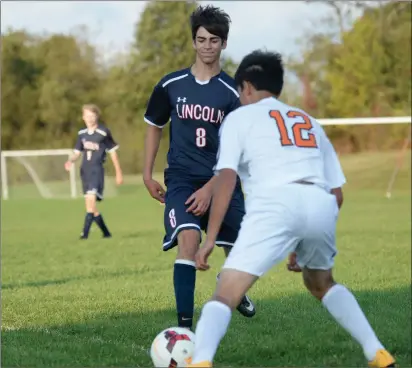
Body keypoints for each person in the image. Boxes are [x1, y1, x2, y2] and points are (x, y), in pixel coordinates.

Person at [187, 50, 396, 368]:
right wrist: (305, 237)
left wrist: (210, 237)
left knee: (225, 294)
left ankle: (200, 361)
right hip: (319, 202)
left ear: (245, 87)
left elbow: (227, 177)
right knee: (321, 283)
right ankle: (377, 352)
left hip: (274, 203)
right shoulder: (308, 121)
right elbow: (337, 193)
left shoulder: (239, 118)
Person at [143, 5, 256, 331]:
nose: (207, 46)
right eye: (201, 39)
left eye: (214, 40)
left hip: (222, 182)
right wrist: (147, 174)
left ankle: (233, 284)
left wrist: (211, 189)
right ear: (194, 42)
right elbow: (154, 124)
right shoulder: (171, 85)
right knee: (188, 240)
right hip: (180, 179)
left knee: (249, 257)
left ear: (223, 44)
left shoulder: (234, 93)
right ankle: (184, 331)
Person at [65, 104, 123, 239]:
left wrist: (118, 172)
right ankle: (106, 233)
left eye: (92, 116)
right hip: (85, 171)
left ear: (97, 116)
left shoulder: (103, 132)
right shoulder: (81, 134)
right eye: (87, 116)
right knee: (90, 207)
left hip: (97, 171)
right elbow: (77, 152)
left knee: (91, 202)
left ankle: (84, 234)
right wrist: (70, 161)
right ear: (83, 117)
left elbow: (113, 153)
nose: (90, 119)